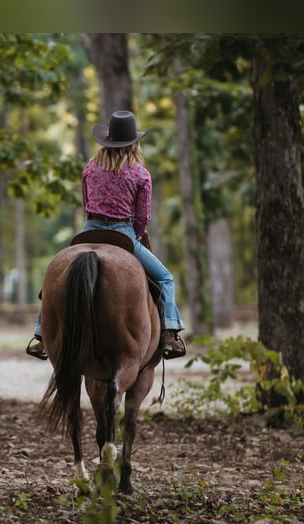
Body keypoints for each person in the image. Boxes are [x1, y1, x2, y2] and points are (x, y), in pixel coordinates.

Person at [26, 110, 186, 360]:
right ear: (133, 143)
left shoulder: (90, 169)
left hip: (89, 230)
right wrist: (138, 236)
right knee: (165, 278)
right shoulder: (141, 174)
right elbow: (143, 217)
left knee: (54, 278)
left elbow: (86, 203)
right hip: (123, 233)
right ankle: (169, 334)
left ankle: (42, 335)